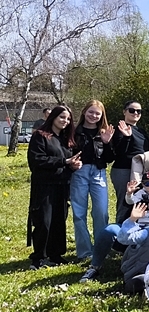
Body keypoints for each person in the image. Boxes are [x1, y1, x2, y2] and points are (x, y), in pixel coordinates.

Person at [27, 105, 81, 269]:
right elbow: (37, 161)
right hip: (44, 186)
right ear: (53, 117)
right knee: (44, 221)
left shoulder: (66, 139)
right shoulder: (40, 136)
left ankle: (55, 255)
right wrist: (64, 162)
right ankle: (39, 257)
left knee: (59, 220)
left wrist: (74, 165)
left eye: (68, 119)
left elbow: (70, 160)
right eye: (62, 117)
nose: (65, 121)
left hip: (62, 185)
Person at [70, 100, 115, 261]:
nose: (93, 116)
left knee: (101, 212)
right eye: (91, 112)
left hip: (98, 172)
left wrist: (107, 143)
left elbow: (110, 158)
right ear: (84, 112)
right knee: (79, 213)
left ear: (102, 115)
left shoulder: (104, 132)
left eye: (97, 113)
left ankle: (101, 248)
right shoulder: (74, 131)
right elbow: (68, 152)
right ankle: (84, 251)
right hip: (79, 173)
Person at [110, 101, 149, 224]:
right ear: (124, 111)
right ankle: (120, 233)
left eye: (138, 111)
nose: (135, 113)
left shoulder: (141, 131)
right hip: (124, 170)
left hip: (141, 171)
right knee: (125, 203)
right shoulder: (119, 129)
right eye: (132, 110)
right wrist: (127, 137)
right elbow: (118, 152)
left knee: (139, 201)